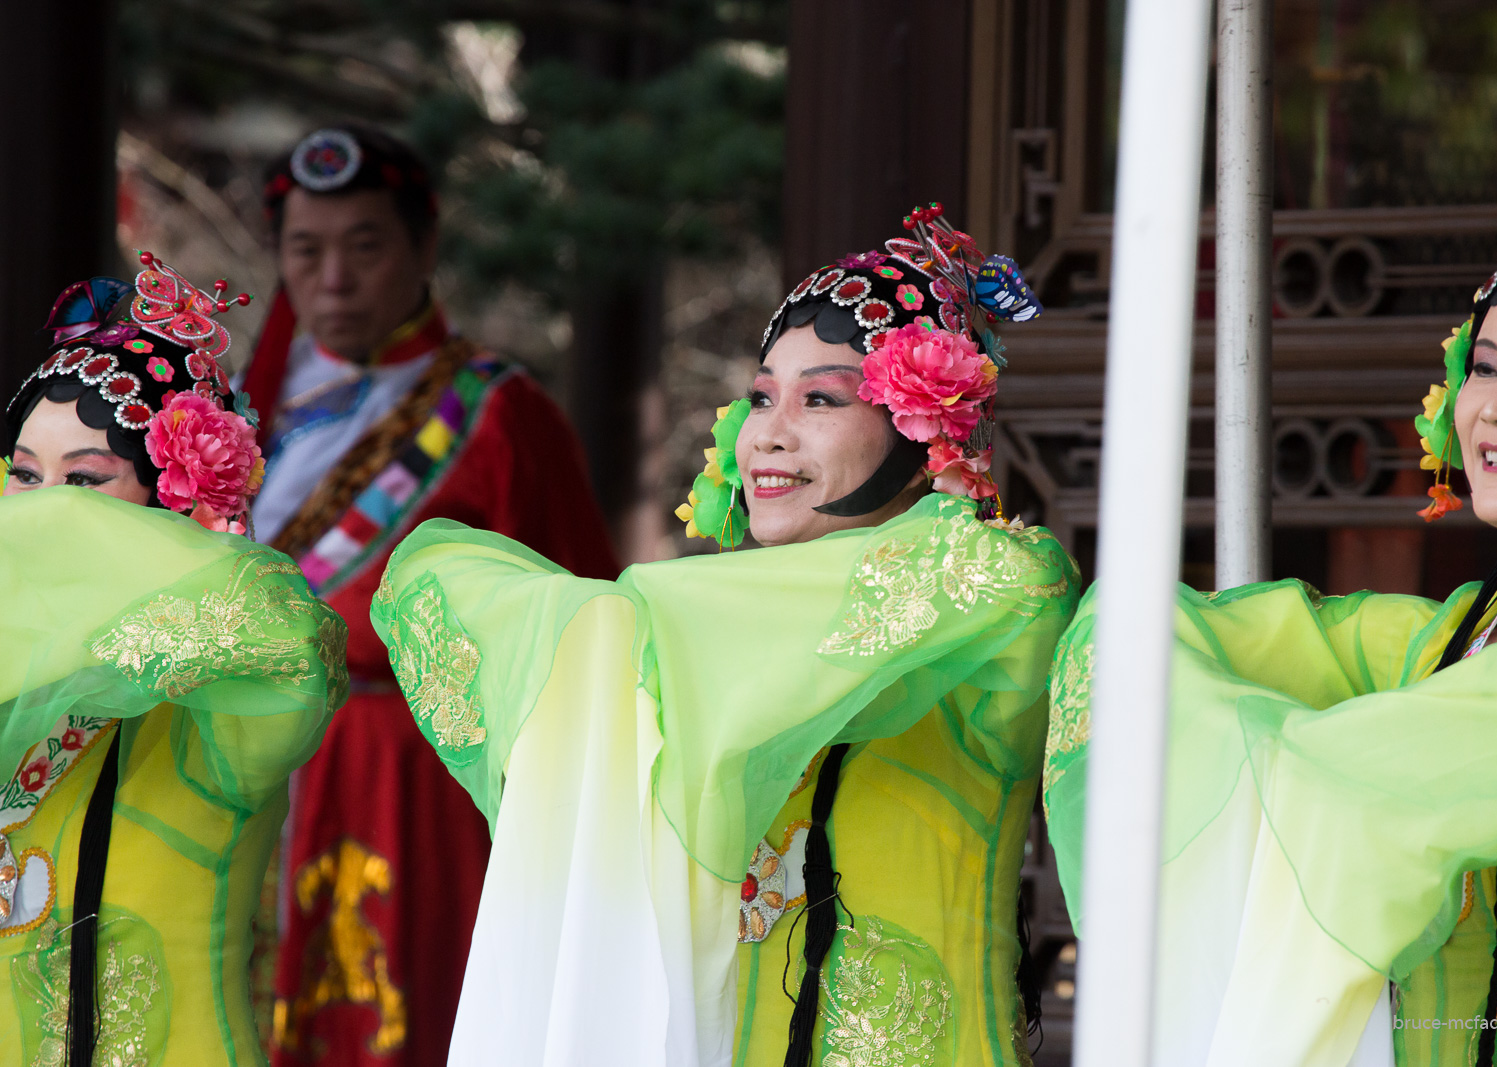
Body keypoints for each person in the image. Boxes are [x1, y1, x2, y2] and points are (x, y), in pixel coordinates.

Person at [373, 207, 1076, 1065]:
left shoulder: (999, 582)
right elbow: (436, 582)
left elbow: (728, 615)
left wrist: (611, 628)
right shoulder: (711, 629)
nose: (770, 432)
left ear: (923, 423)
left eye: (821, 397)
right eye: (760, 396)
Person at [1045, 179, 1497, 1067]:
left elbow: (1365, 771)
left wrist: (1296, 760)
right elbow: (1145, 635)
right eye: (1486, 365)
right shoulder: (1433, 648)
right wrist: (1252, 750)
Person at [240, 125, 620, 1067]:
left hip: (413, 777)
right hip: (244, 764)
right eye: (305, 250)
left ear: (423, 248)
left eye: (364, 247)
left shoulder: (499, 414)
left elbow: (581, 616)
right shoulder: (239, 415)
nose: (333, 278)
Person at [0, 260, 347, 1066]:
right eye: (24, 476)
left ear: (170, 501)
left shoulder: (221, 686)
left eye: (84, 483)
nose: (45, 513)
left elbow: (294, 649)